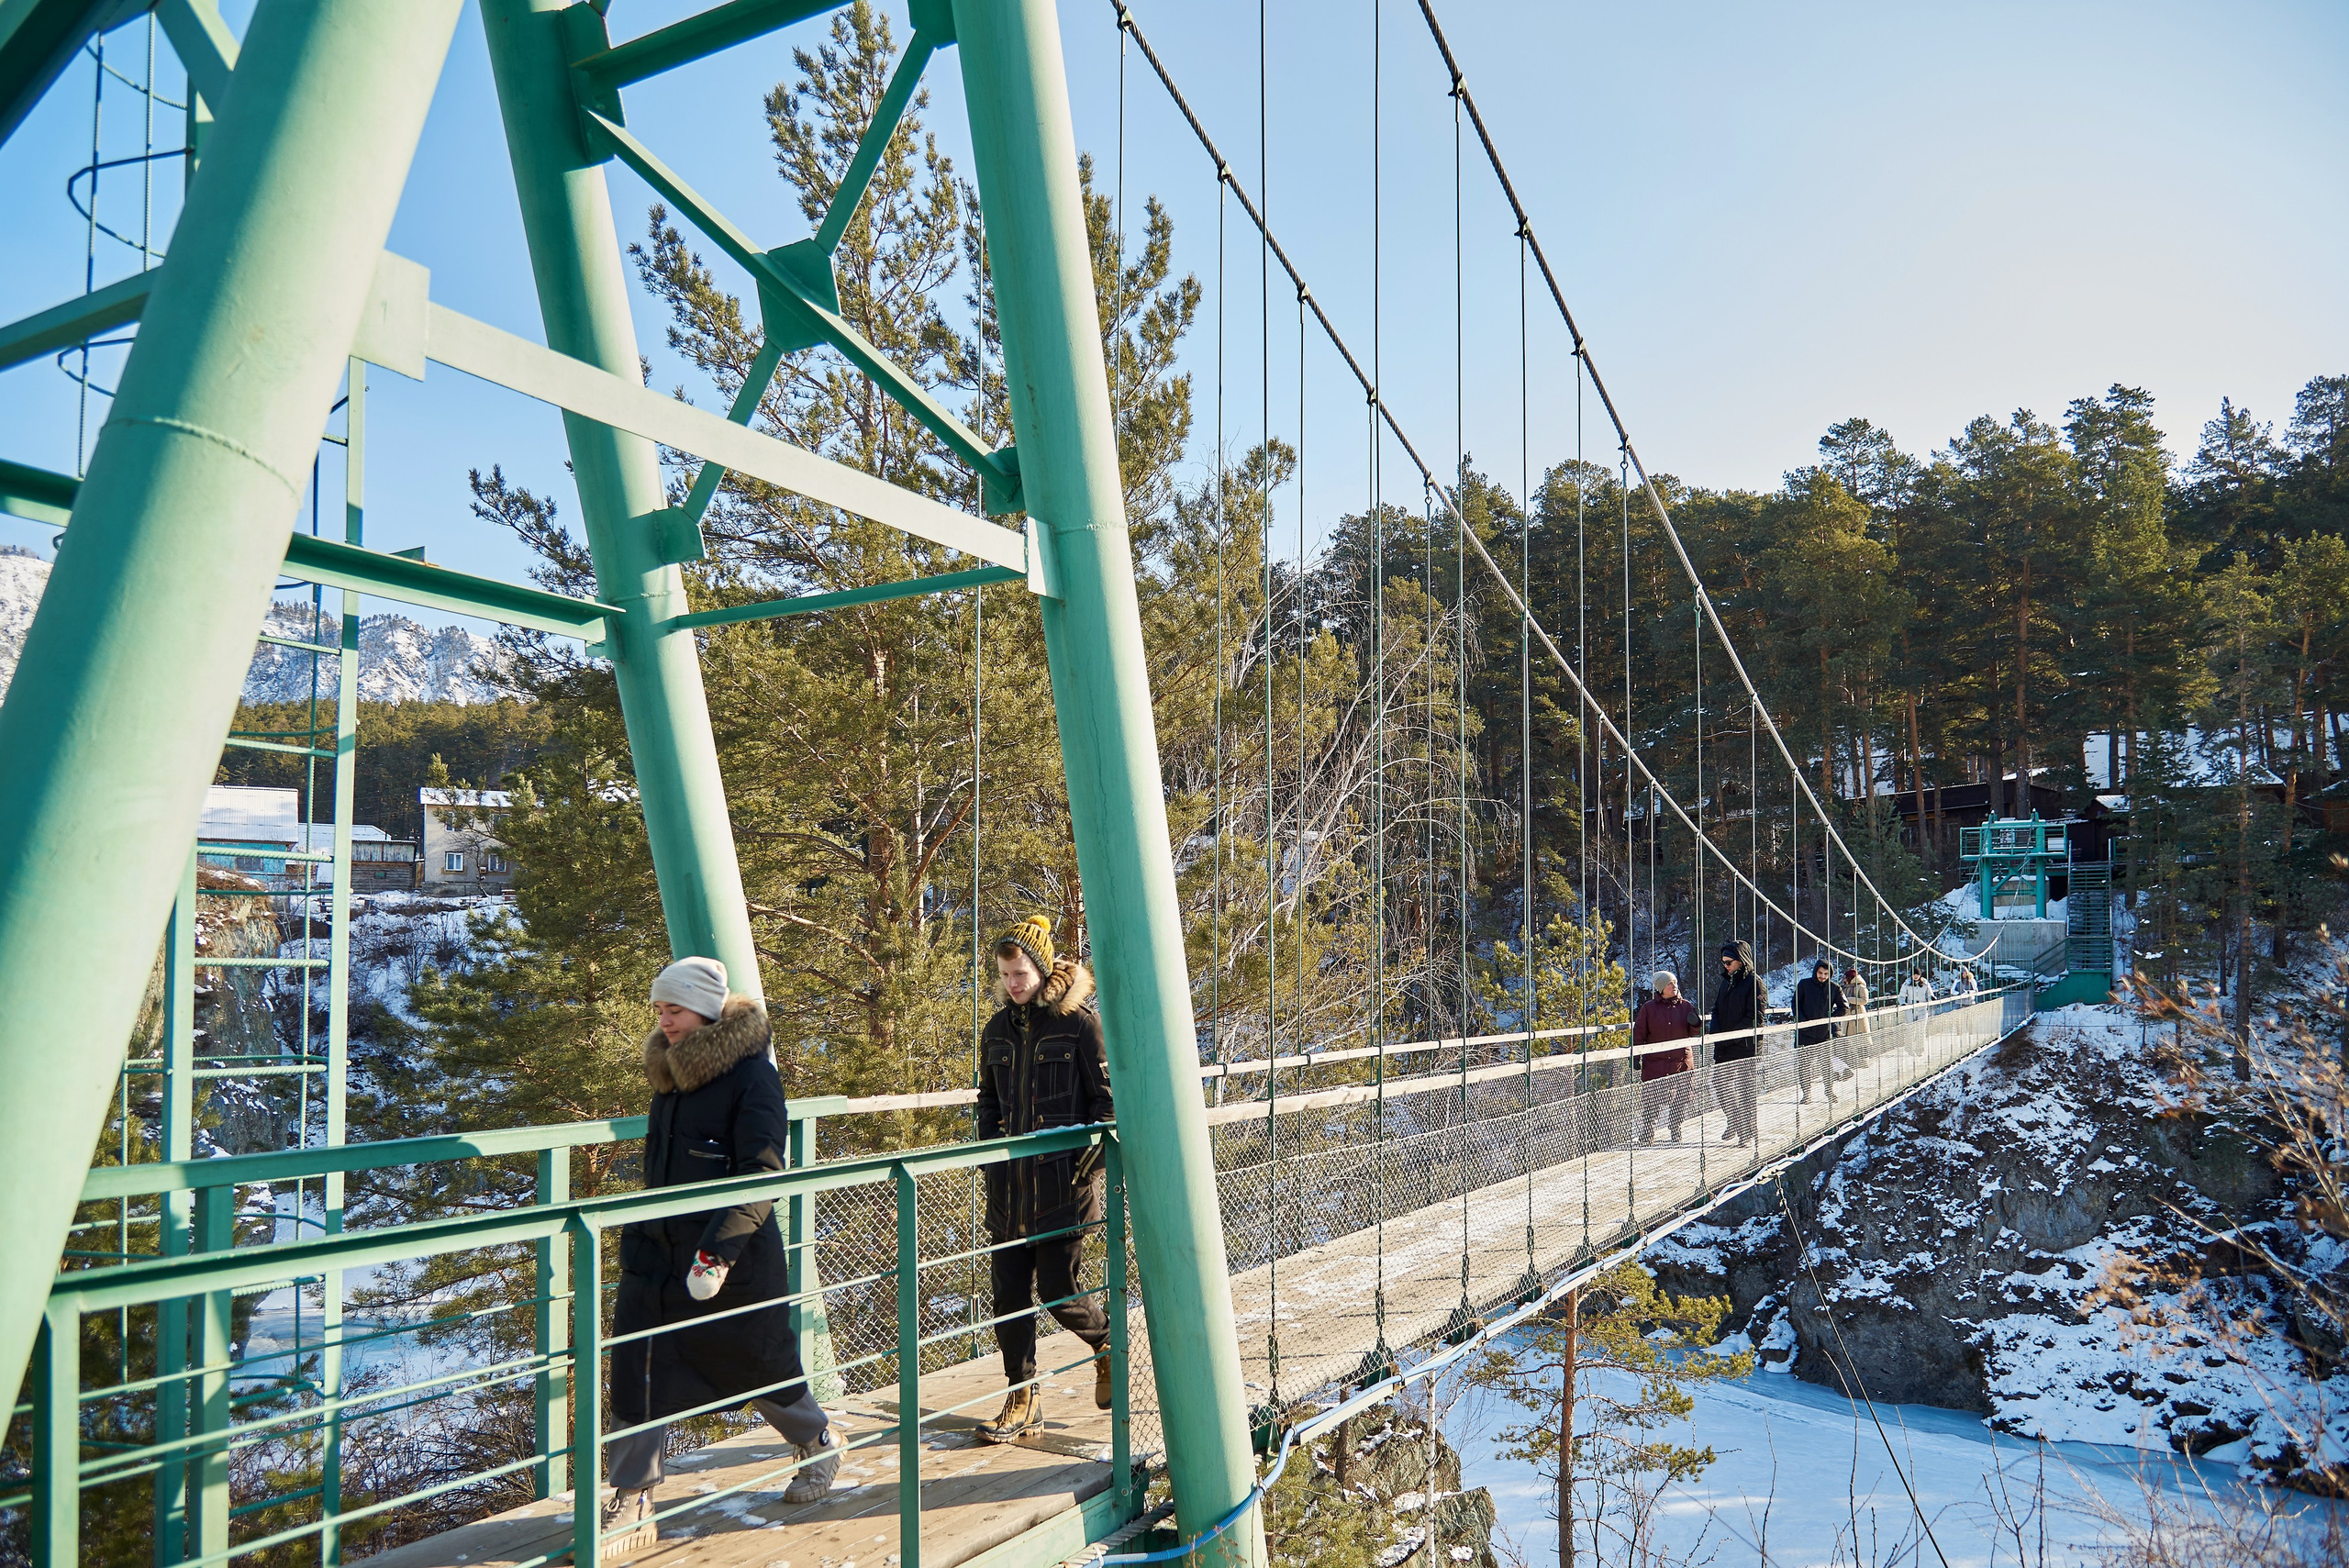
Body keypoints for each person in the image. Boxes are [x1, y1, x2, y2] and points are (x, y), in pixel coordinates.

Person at [606, 957, 838, 1551]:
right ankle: (633, 1494)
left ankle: (815, 1443)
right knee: (638, 1366)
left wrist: (718, 1252)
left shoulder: (753, 1078)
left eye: (674, 1009)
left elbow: (761, 1170)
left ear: (706, 1012)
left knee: (758, 1361)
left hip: (727, 1260)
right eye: (659, 1008)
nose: (665, 1020)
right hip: (658, 1255)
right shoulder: (671, 1075)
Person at [974, 916, 1115, 1443]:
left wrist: (1089, 1162)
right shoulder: (996, 1030)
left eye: (1021, 972)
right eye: (1005, 974)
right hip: (1008, 1192)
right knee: (1008, 1294)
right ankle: (1022, 1397)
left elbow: (1107, 1105)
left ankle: (1105, 1344)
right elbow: (987, 1101)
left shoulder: (1080, 1025)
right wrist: (991, 1151)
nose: (1013, 983)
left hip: (1062, 1188)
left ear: (1042, 967)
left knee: (1059, 1290)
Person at [1631, 969, 1701, 1143]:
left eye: (1675, 983)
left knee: (1682, 1097)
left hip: (1682, 1062)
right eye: (1670, 983)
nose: (1674, 986)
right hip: (1656, 1063)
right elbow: (1639, 1033)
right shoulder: (1648, 1008)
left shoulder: (1686, 1005)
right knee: (1651, 1100)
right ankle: (1647, 1134)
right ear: (1661, 988)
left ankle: (1675, 1129)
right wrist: (1635, 1055)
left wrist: (1696, 1023)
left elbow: (1693, 1032)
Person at [1708, 940, 1766, 1146]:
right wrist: (1715, 1032)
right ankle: (1735, 1121)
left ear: (1741, 961)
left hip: (1745, 1047)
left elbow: (1756, 1018)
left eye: (1729, 962)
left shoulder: (1755, 982)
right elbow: (1716, 1009)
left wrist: (1730, 1035)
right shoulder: (1726, 981)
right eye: (1723, 962)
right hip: (1724, 1045)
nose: (1725, 966)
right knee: (1720, 1084)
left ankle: (1747, 1133)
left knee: (1745, 1090)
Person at [1793, 958, 1847, 1104]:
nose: (1822, 976)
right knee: (1804, 1066)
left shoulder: (1834, 988)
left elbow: (1844, 1008)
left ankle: (1829, 1091)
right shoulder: (1804, 984)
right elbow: (1795, 1004)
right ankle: (1807, 1094)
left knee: (1827, 1065)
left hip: (1824, 1033)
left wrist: (1829, 1018)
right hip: (1805, 1033)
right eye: (1820, 973)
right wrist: (1803, 1022)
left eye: (1825, 974)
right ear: (1815, 971)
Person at [1839, 965, 1875, 1066]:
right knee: (1849, 1041)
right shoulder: (1845, 988)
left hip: (1858, 1016)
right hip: (1848, 1016)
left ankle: (1864, 1063)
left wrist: (1849, 1000)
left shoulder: (1861, 987)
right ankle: (1853, 1063)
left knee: (1861, 1041)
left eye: (1846, 977)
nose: (1844, 979)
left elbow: (1865, 1000)